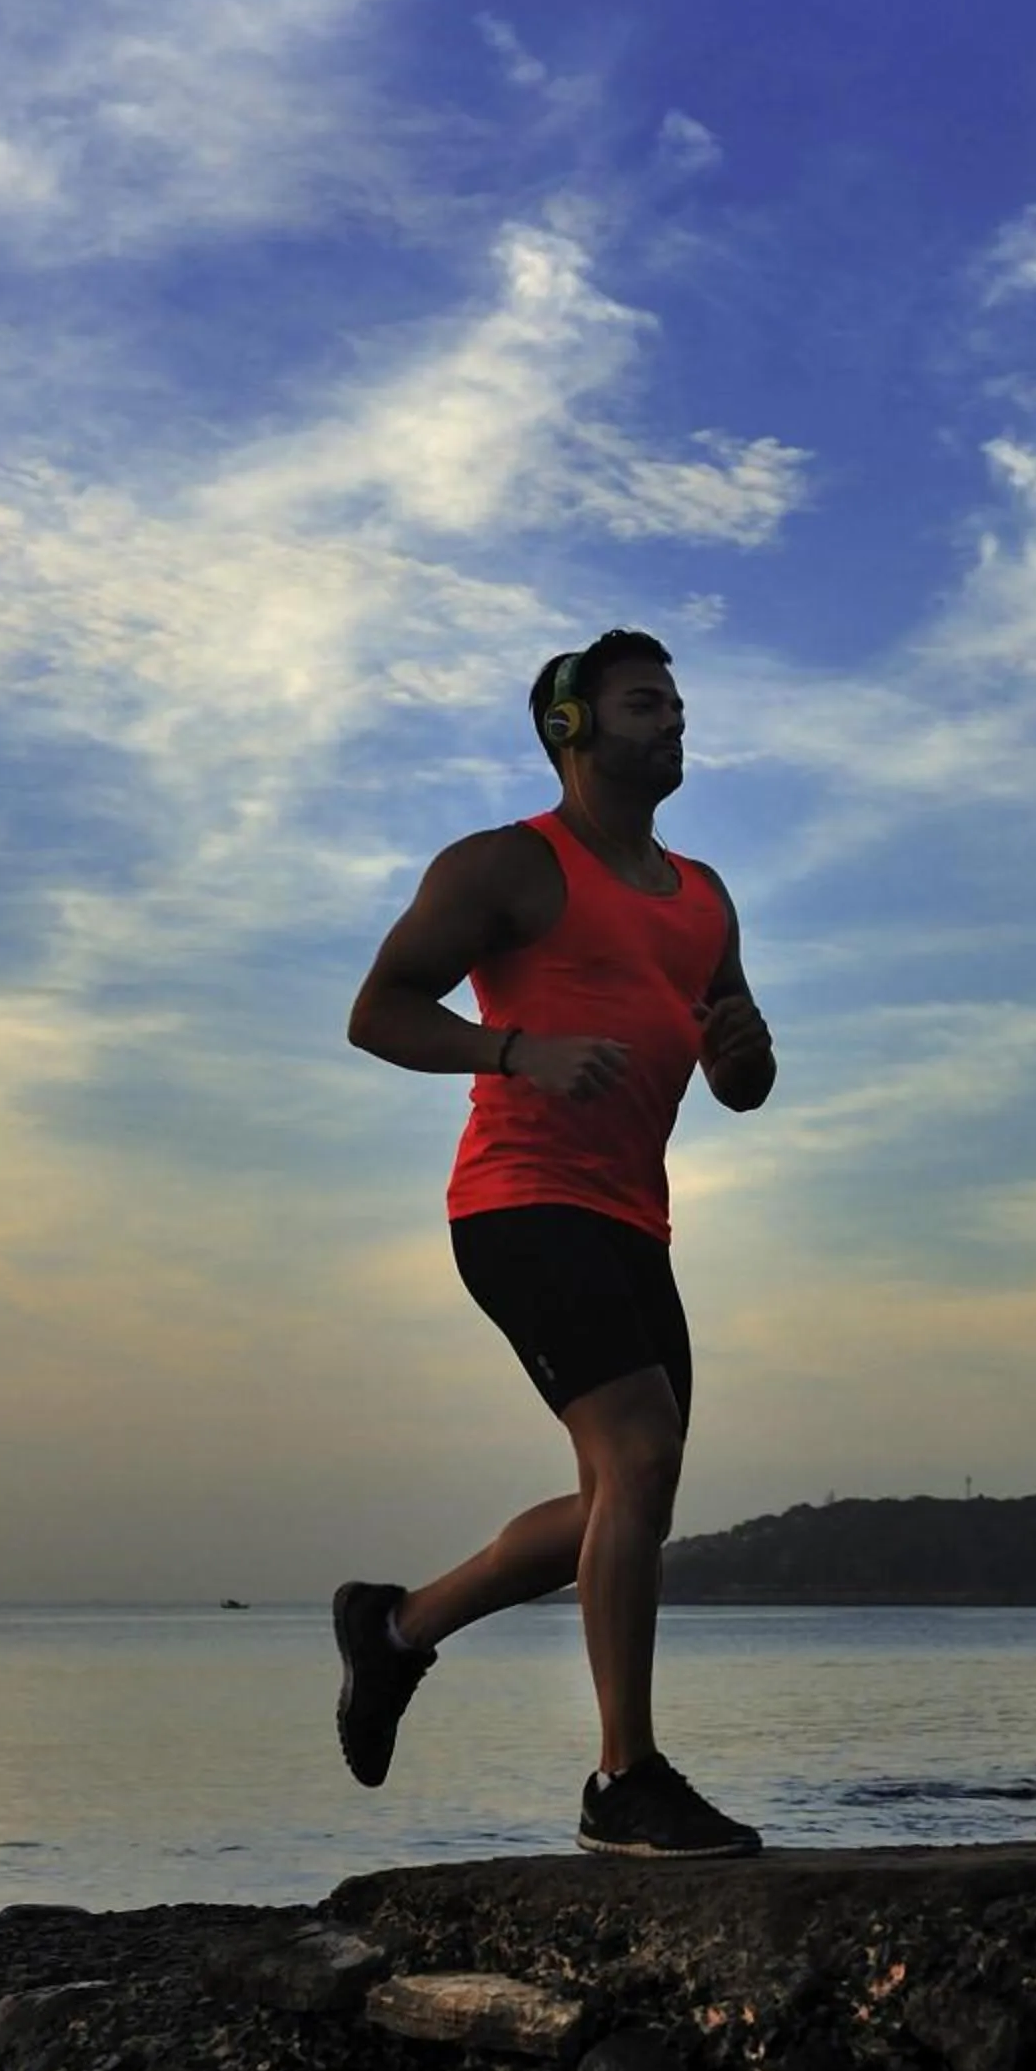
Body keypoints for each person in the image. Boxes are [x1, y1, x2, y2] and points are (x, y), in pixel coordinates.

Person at [334, 628, 776, 1858]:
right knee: (636, 1453)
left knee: (627, 1497)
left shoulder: (704, 898)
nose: (673, 722)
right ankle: (622, 1781)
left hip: (636, 1218)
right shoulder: (504, 867)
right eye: (645, 704)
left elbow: (741, 1062)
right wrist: (514, 1051)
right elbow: (378, 1011)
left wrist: (747, 1062)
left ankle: (397, 1629)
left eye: (679, 705)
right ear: (571, 729)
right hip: (518, 1201)